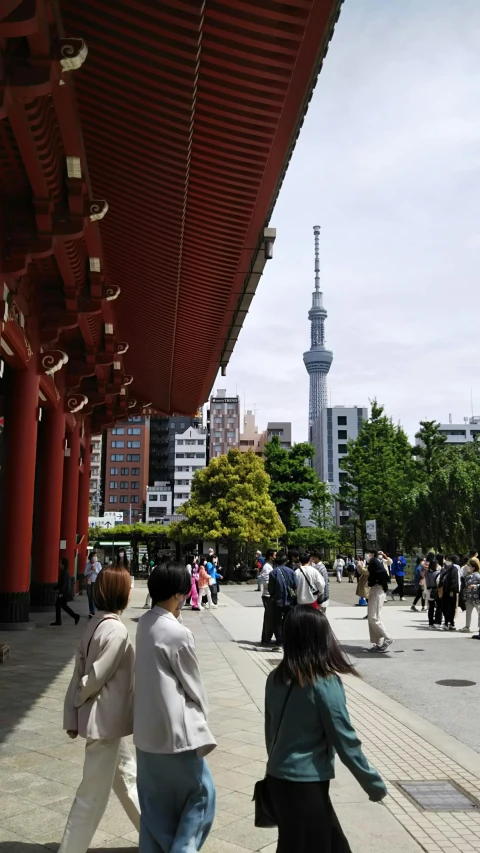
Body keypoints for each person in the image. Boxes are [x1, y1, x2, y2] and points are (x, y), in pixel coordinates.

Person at [264, 606, 387, 852]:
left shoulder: (276, 677)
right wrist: (372, 783)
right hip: (306, 787)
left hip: (277, 780)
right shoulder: (324, 683)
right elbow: (345, 740)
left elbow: (271, 730)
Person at [134, 563, 216, 853]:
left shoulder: (144, 624)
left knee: (155, 810)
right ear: (177, 594)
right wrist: (204, 717)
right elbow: (194, 685)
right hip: (175, 736)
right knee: (201, 796)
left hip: (145, 733)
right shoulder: (177, 633)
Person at [59, 567, 140, 853]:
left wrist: (72, 712)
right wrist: (79, 701)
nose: (131, 591)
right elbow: (92, 677)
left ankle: (157, 838)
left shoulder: (96, 622)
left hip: (106, 722)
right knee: (91, 796)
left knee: (128, 779)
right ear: (120, 592)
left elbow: (78, 671)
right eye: (128, 586)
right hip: (104, 721)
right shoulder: (116, 629)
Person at [268, 552, 298, 649]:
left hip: (277, 600)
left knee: (277, 621)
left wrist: (273, 595)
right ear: (285, 561)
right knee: (287, 621)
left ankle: (279, 642)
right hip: (289, 601)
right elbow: (296, 585)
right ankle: (287, 641)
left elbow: (270, 589)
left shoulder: (273, 572)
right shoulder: (291, 571)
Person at [367, 552, 393, 652]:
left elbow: (373, 578)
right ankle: (377, 642)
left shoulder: (376, 565)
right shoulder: (376, 564)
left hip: (377, 591)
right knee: (372, 617)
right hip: (375, 591)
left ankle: (387, 638)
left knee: (374, 617)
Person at [51, 558, 80, 627]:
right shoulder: (65, 571)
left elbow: (63, 584)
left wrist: (61, 593)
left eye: (60, 563)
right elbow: (61, 583)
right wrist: (55, 588)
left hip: (64, 593)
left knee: (58, 605)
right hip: (65, 592)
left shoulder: (64, 572)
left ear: (63, 564)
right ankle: (75, 616)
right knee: (63, 606)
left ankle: (59, 620)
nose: (59, 564)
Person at [258, 549, 276, 644]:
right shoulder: (266, 567)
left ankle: (267, 637)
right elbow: (265, 581)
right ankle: (266, 638)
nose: (275, 557)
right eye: (274, 555)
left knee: (271, 617)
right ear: (270, 556)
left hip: (271, 594)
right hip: (268, 594)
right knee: (269, 618)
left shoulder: (270, 566)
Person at [438, 556, 461, 631]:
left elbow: (454, 581)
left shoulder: (454, 569)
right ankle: (448, 623)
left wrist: (452, 590)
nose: (446, 561)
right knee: (445, 607)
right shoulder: (446, 569)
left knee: (450, 608)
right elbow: (441, 578)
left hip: (450, 591)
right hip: (445, 591)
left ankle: (450, 623)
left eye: (448, 560)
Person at [461, 560, 480, 633]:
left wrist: (475, 586)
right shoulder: (468, 576)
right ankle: (467, 626)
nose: (468, 567)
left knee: (479, 613)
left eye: (469, 566)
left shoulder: (477, 575)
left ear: (473, 567)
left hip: (476, 598)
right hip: (469, 598)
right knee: (468, 613)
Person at [425, 559, 442, 629]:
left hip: (428, 591)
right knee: (439, 606)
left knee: (431, 608)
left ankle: (430, 623)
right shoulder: (437, 573)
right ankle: (437, 622)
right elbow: (438, 583)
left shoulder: (426, 573)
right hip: (435, 591)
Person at [85, 551, 102, 618]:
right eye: (93, 556)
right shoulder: (88, 564)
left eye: (95, 556)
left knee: (94, 596)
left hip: (95, 582)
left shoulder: (98, 564)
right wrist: (91, 571)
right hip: (89, 582)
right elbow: (85, 573)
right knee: (90, 597)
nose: (94, 558)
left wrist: (95, 570)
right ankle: (91, 611)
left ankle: (94, 611)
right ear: (90, 557)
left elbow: (100, 573)